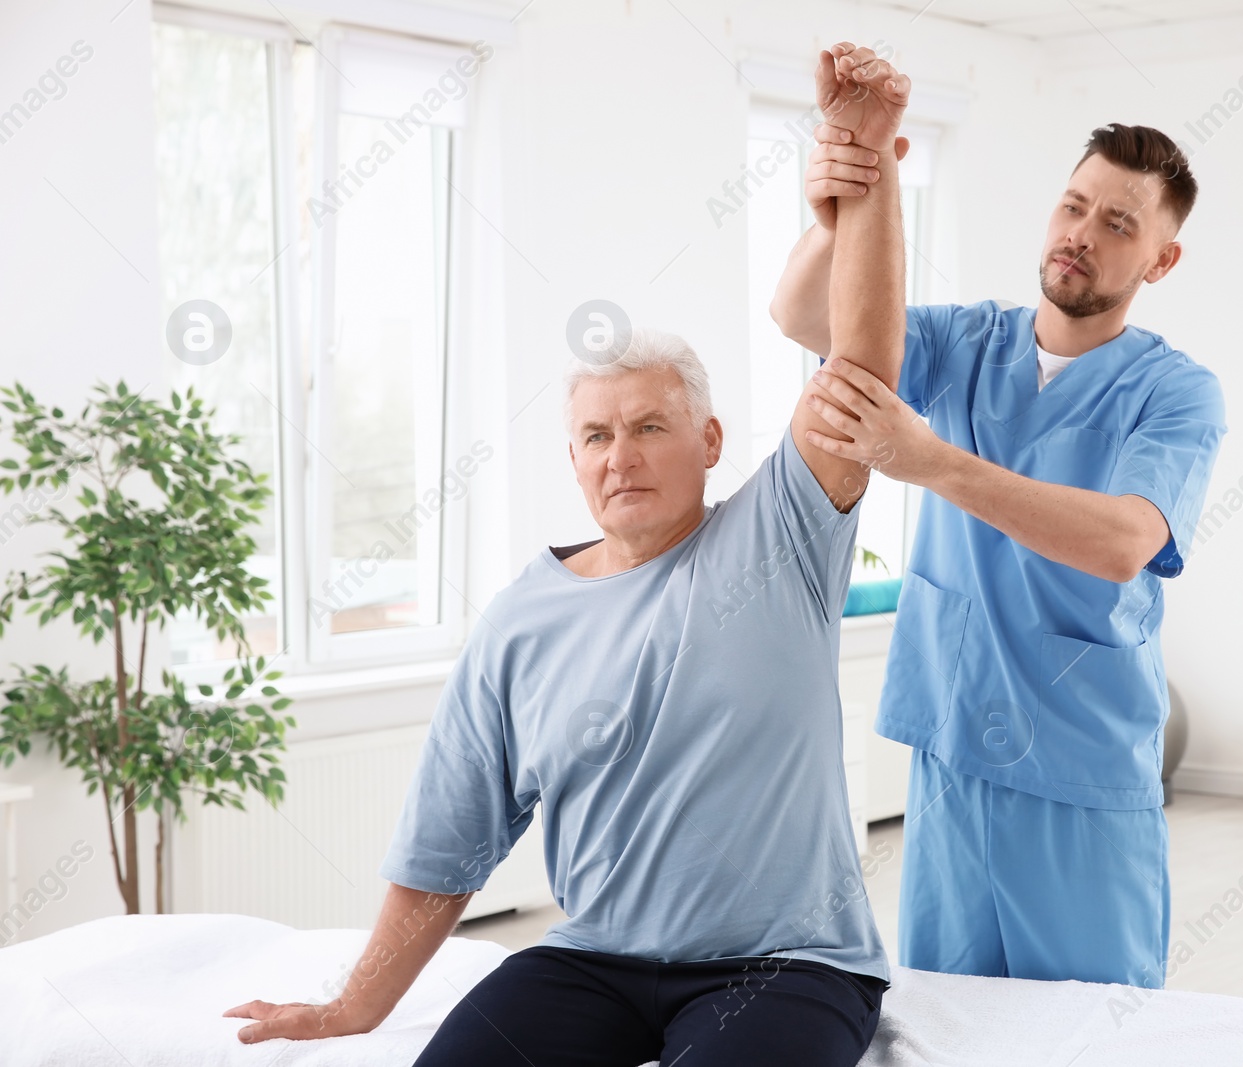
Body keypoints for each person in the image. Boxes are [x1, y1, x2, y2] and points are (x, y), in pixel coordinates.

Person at [223, 41, 911, 1066]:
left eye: (648, 426)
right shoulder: (520, 621)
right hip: (595, 958)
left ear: (710, 441)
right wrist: (355, 1006)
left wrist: (864, 162)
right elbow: (445, 844)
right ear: (572, 456)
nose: (619, 455)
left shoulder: (780, 535)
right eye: (596, 434)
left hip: (788, 959)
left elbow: (857, 367)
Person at [771, 121, 1226, 990]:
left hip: (1079, 768)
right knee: (945, 1017)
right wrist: (836, 218)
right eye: (1073, 205)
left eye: (1119, 225)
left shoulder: (1176, 392)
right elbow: (802, 317)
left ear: (1160, 262)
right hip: (950, 746)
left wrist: (928, 459)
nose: (1081, 234)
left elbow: (1125, 540)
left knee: (1091, 1033)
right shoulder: (968, 341)